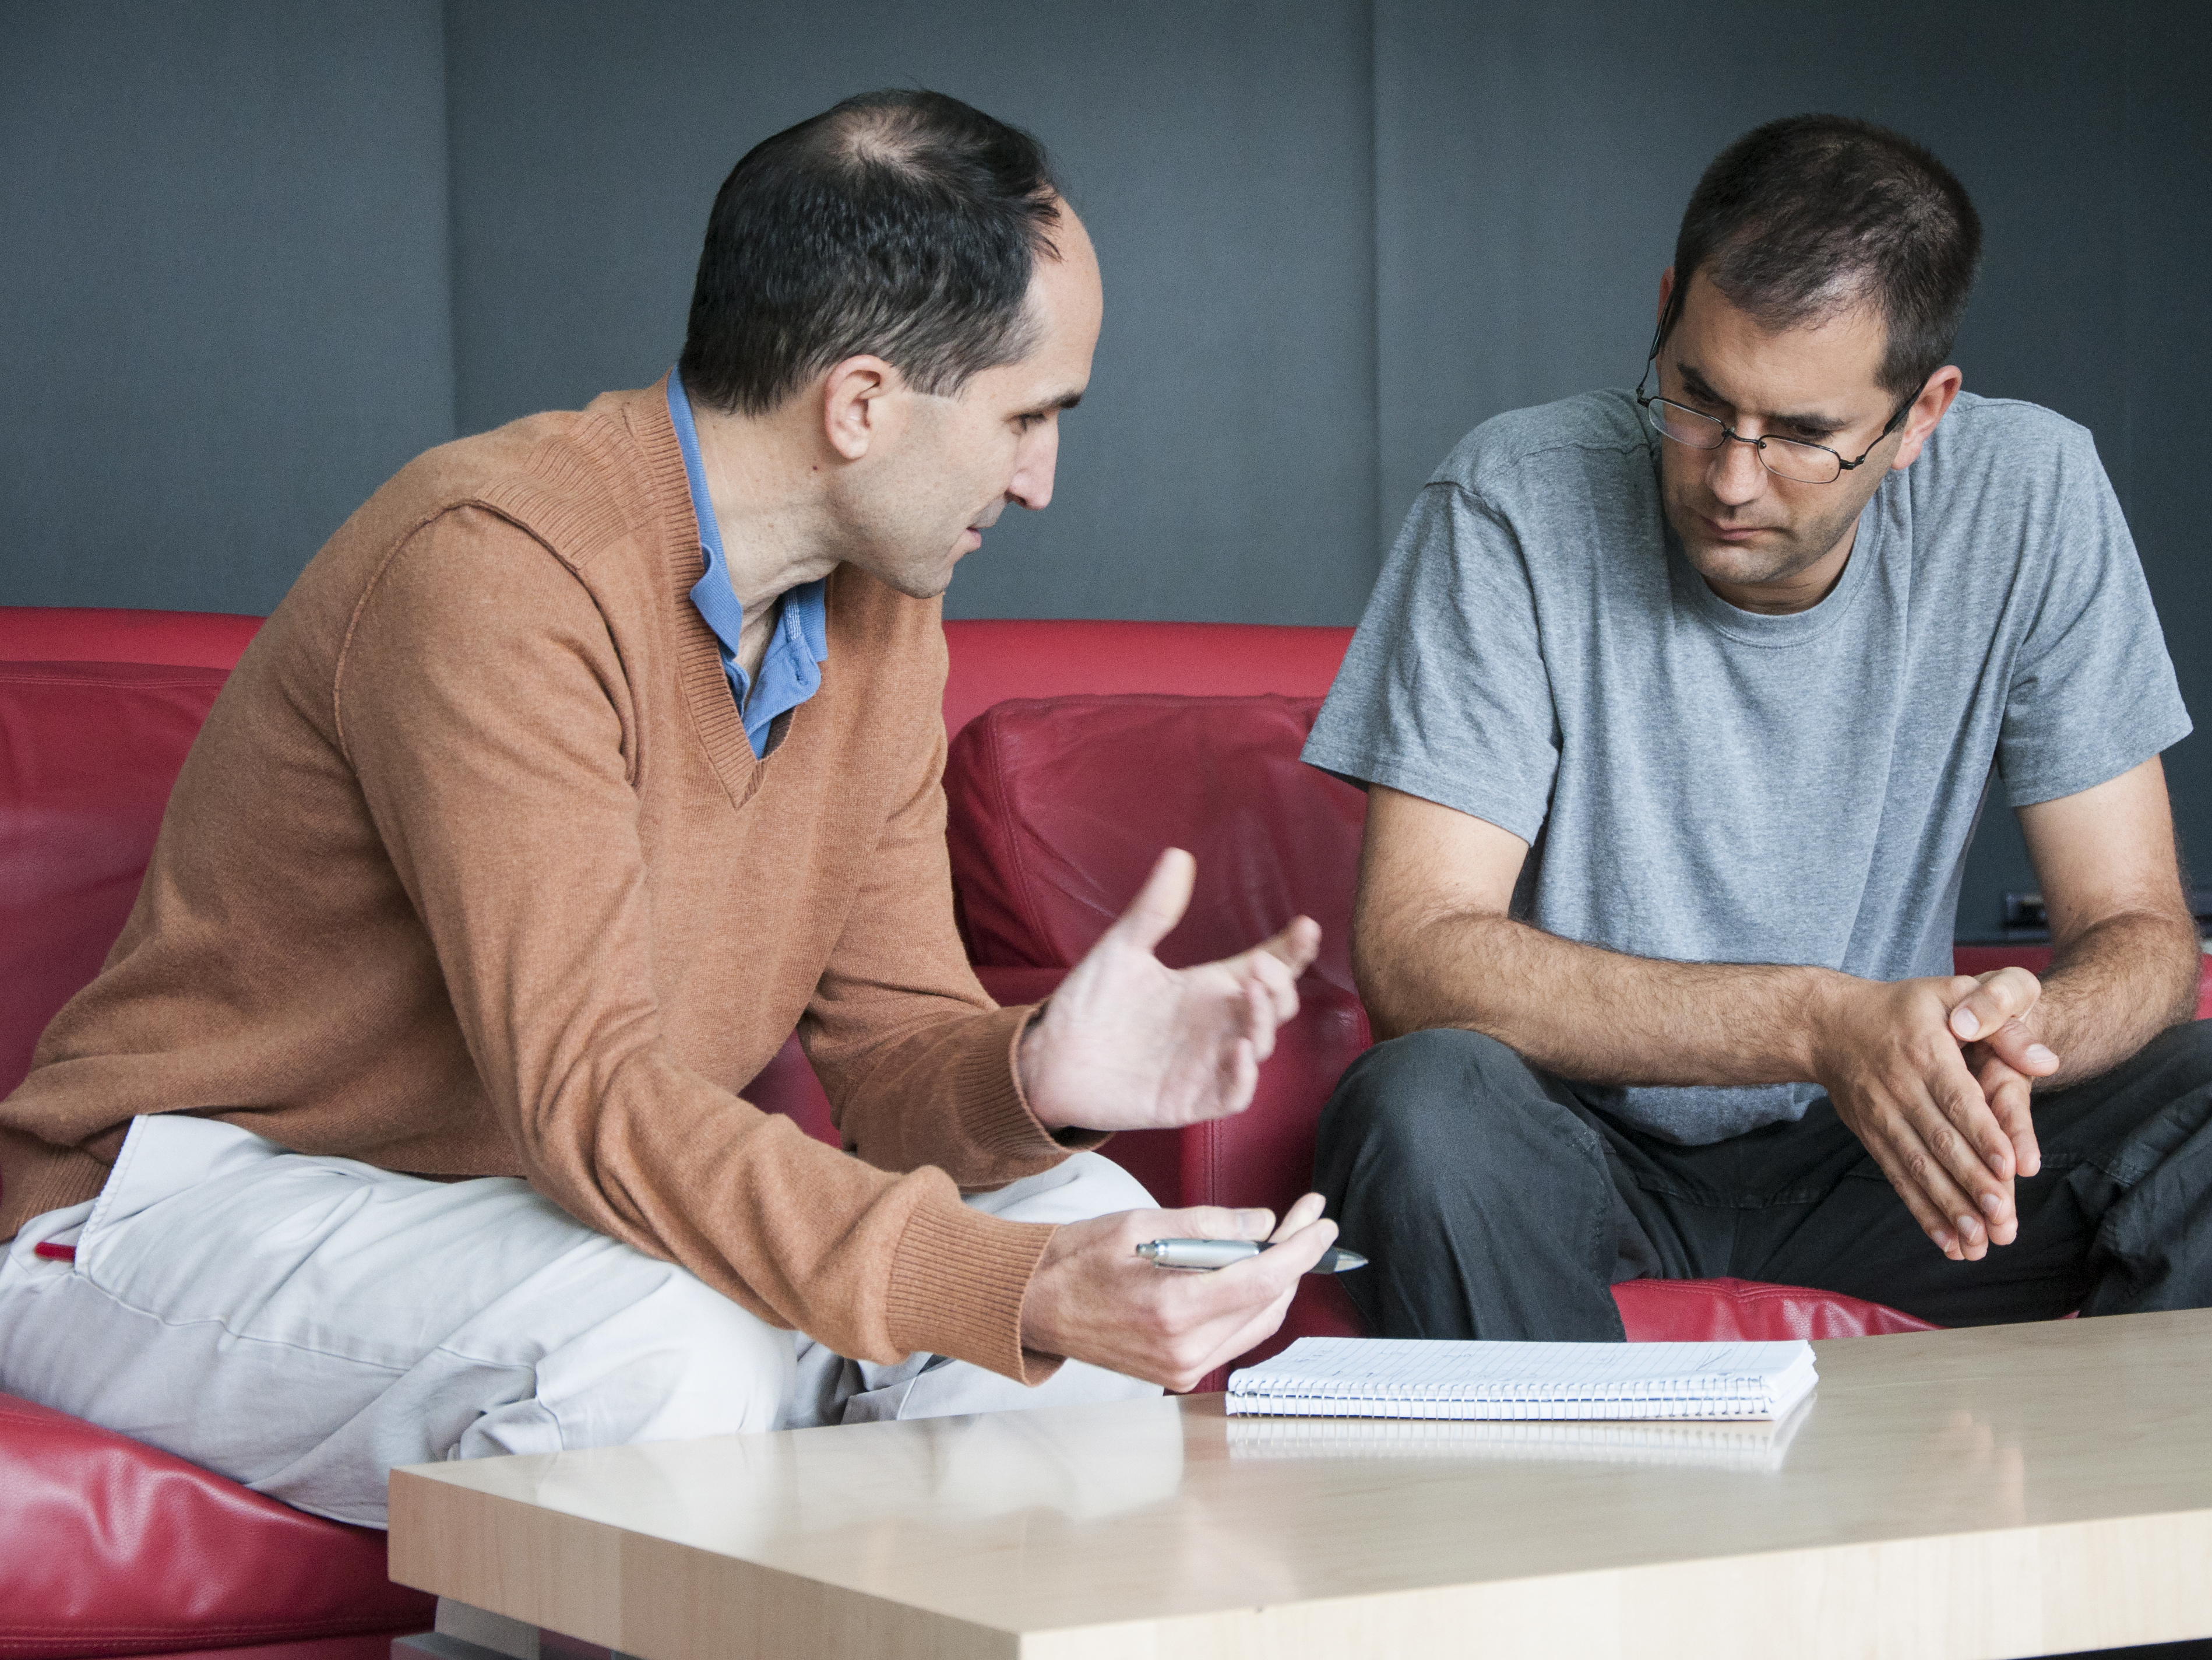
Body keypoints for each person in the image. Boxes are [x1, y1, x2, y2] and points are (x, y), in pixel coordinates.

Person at [0, 89, 1335, 1529]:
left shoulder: (880, 621)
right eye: (1027, 415)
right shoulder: (499, 571)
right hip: (183, 1207)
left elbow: (888, 1058)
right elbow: (587, 1094)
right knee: (661, 1350)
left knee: (1085, 1225)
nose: (1040, 477)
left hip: (540, 1214)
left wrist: (1033, 1075)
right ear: (863, 403)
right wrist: (990, 1285)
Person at [1305, 113, 2212, 1349]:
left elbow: (2138, 932)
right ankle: (1572, 1533)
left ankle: (2103, 1527)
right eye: (1697, 398)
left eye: (1804, 434)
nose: (1729, 477)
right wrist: (1820, 1021)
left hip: (1896, 1159)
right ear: (1665, 309)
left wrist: (2005, 1039)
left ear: (1920, 415)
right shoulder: (1510, 497)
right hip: (1578, 1145)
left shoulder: (2028, 495)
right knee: (1424, 1104)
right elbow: (1416, 956)